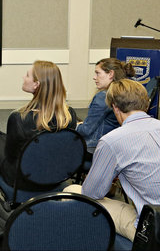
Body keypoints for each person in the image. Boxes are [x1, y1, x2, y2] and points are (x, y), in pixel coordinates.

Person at [64, 79, 160, 241]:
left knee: (72, 191)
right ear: (146, 103)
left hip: (153, 229)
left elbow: (92, 193)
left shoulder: (112, 141)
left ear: (115, 107)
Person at [0, 60, 77, 190]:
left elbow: (11, 156)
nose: (23, 77)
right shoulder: (69, 115)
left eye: (27, 75)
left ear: (36, 85)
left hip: (23, 181)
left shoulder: (18, 118)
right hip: (55, 177)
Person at [76, 58, 135, 150]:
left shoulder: (103, 96)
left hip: (94, 146)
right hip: (115, 144)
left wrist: (75, 126)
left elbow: (86, 131)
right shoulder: (125, 92)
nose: (94, 77)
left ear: (111, 74)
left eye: (98, 73)